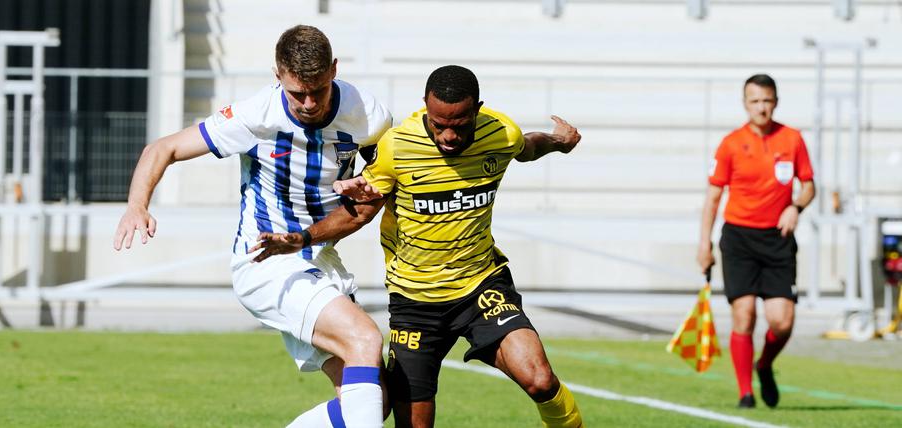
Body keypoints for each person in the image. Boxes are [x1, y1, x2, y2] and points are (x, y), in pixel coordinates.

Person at [252, 65, 584, 428]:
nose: (448, 135)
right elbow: (359, 212)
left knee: (540, 380)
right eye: (439, 123)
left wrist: (558, 142)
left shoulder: (499, 132)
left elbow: (525, 147)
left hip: (481, 286)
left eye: (459, 125)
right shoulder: (397, 147)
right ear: (425, 106)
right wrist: (301, 238)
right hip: (415, 303)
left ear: (477, 109)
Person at [113, 25, 392, 427]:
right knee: (365, 339)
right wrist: (136, 206)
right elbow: (163, 148)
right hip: (266, 263)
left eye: (319, 90)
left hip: (319, 260)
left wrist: (368, 182)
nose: (310, 103)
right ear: (278, 75)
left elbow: (388, 169)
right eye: (298, 93)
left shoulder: (367, 113)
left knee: (369, 399)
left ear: (334, 69)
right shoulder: (254, 116)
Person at [696, 73, 815, 409]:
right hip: (739, 239)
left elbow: (809, 185)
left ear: (775, 101)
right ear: (745, 103)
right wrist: (703, 243)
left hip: (778, 239)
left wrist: (796, 206)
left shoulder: (792, 139)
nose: (761, 108)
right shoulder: (731, 143)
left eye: (767, 100)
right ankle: (745, 392)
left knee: (782, 321)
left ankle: (764, 364)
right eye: (755, 101)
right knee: (744, 315)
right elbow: (713, 196)